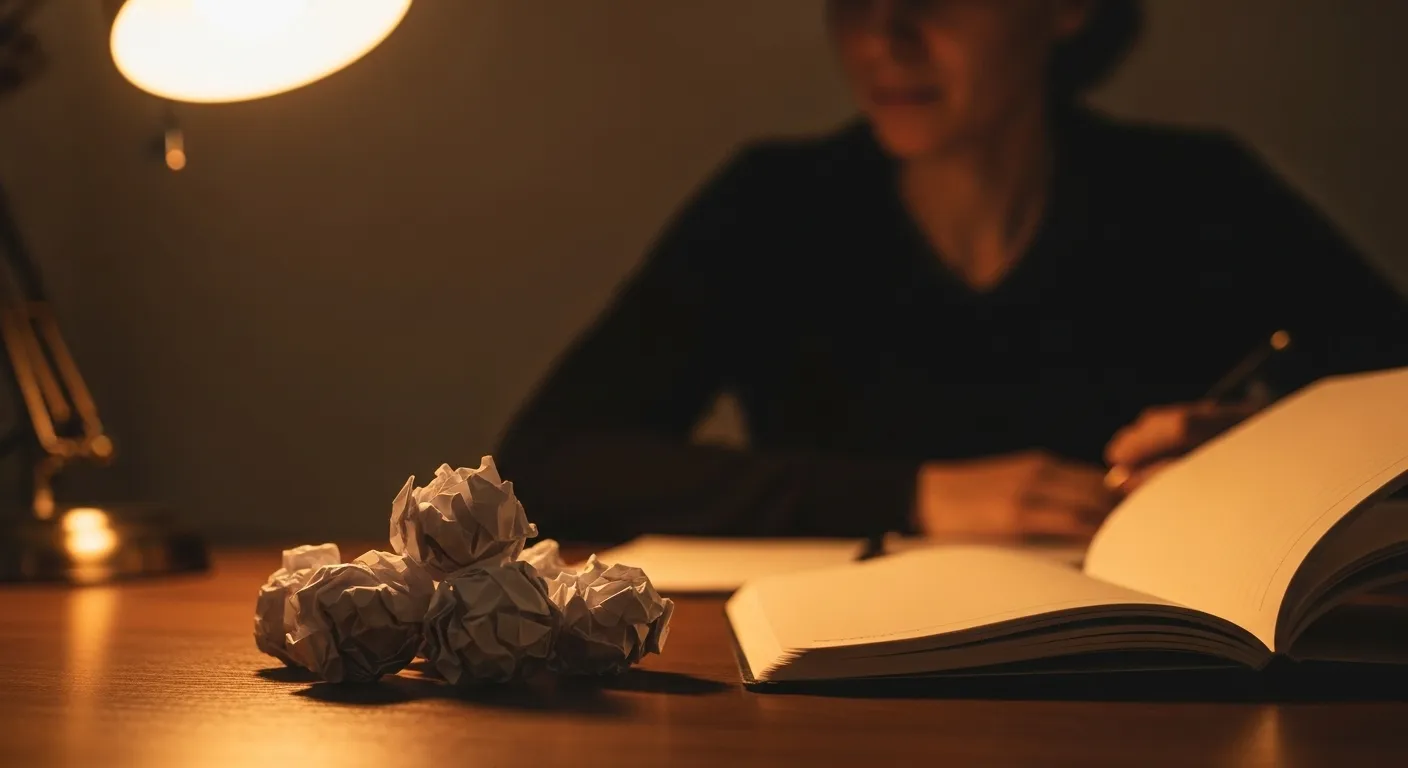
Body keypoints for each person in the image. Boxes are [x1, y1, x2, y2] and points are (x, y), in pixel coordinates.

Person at [496, 0, 1408, 542]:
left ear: (1066, 6)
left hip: (1158, 694)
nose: (882, 35)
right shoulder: (773, 207)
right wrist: (917, 494)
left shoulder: (1202, 194)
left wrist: (1267, 456)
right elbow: (549, 463)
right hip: (833, 698)